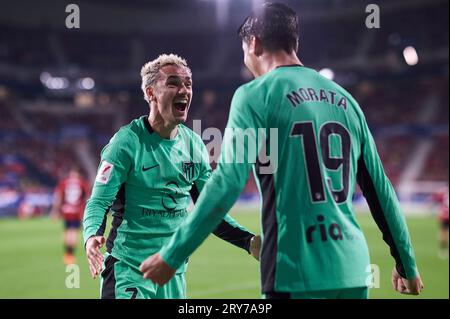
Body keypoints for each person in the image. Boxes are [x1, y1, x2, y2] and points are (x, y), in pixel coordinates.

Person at [140, 3, 424, 299]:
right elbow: (381, 191)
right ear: (295, 42)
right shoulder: (346, 101)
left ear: (254, 43)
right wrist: (406, 265)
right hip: (353, 271)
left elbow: (227, 182)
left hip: (295, 273)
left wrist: (173, 254)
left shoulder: (254, 95)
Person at [83, 54, 260, 299]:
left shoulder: (194, 145)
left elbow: (209, 210)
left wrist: (248, 241)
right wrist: (92, 235)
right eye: (173, 83)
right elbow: (99, 201)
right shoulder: (125, 143)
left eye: (188, 84)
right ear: (150, 92)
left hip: (172, 273)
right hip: (129, 270)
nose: (184, 90)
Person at [50, 166, 90, 265]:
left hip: (66, 210)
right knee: (73, 232)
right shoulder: (82, 182)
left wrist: (55, 211)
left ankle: (67, 253)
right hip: (77, 211)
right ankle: (70, 253)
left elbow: (58, 197)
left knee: (67, 231)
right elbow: (87, 197)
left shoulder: (64, 182)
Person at [433, 186, 449, 259]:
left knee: (443, 233)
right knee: (443, 233)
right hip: (445, 215)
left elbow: (436, 200)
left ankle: (443, 250)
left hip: (445, 215)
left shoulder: (443, 191)